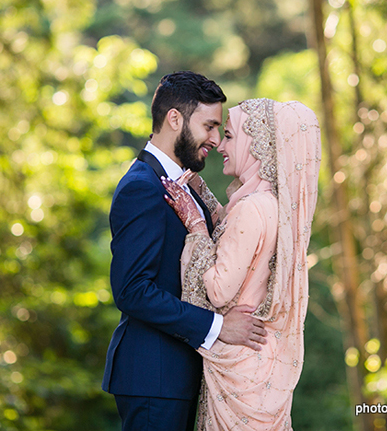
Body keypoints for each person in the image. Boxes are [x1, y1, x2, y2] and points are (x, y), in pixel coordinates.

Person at [102, 72, 268, 431]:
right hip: (153, 376)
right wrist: (218, 326)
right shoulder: (141, 186)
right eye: (208, 126)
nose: (214, 139)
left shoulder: (184, 184)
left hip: (176, 374)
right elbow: (132, 291)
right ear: (174, 118)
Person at [162, 98, 321, 430]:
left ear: (258, 146)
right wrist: (202, 194)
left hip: (240, 369)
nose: (219, 143)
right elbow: (240, 247)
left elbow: (219, 291)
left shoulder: (251, 208)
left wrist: (196, 227)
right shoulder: (274, 205)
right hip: (260, 368)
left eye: (231, 136)